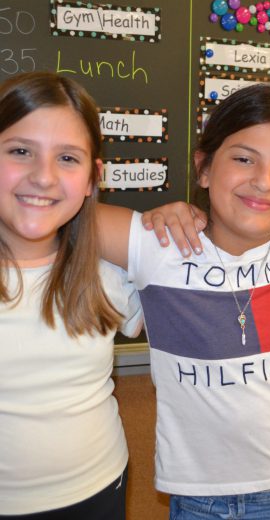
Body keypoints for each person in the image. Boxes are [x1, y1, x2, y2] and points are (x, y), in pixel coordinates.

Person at [99, 83, 270, 520]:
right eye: (243, 159)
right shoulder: (157, 246)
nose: (264, 182)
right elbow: (60, 210)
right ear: (203, 168)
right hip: (210, 504)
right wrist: (161, 213)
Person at [0, 72, 143, 519]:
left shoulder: (113, 270)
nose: (43, 177)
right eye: (20, 151)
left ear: (91, 178)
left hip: (96, 490)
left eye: (67, 158)